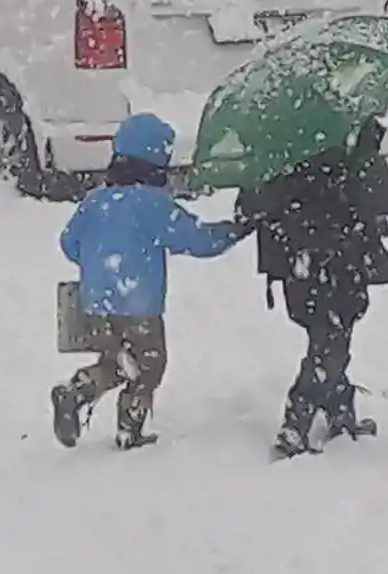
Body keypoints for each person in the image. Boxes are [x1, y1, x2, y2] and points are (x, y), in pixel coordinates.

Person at [51, 112, 244, 451]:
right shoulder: (154, 205)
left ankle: (77, 390)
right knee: (149, 366)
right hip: (139, 306)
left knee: (116, 362)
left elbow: (69, 244)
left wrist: (100, 261)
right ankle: (130, 429)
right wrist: (238, 229)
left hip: (95, 304)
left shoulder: (95, 201)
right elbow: (198, 240)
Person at [235, 116, 388, 459]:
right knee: (331, 342)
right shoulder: (349, 153)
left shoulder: (278, 154)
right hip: (343, 266)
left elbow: (248, 208)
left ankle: (341, 414)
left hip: (299, 268)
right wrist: (368, 153)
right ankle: (295, 424)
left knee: (328, 338)